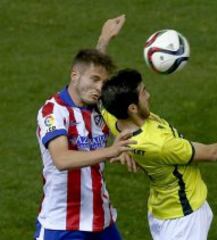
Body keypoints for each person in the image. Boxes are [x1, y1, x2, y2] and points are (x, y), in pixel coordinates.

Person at [100, 68, 217, 240]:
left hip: (162, 209)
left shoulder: (117, 119)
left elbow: (100, 95)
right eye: (143, 92)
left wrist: (127, 152)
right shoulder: (161, 144)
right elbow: (213, 153)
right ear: (132, 108)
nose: (148, 95)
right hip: (184, 217)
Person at [34, 16, 135, 240]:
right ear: (74, 75)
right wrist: (112, 151)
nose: (100, 89)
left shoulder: (96, 106)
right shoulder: (53, 112)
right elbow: (62, 159)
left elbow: (92, 69)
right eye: (95, 80)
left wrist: (104, 39)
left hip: (102, 221)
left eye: (103, 83)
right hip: (63, 226)